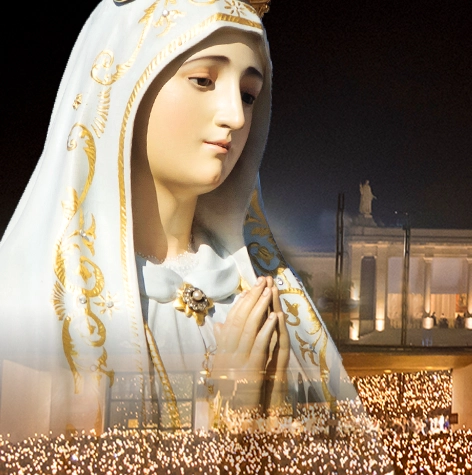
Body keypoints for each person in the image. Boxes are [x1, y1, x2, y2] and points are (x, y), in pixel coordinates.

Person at [0, 0, 360, 437]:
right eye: (203, 80)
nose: (235, 115)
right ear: (130, 86)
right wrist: (228, 415)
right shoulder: (30, 303)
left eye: (248, 94)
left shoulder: (260, 298)